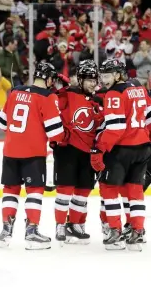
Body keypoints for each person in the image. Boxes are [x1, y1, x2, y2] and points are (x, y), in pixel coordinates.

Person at [0, 62, 69, 250]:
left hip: (10, 151)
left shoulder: (14, 92)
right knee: (35, 190)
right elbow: (55, 132)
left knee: (10, 189)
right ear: (48, 78)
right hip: (33, 153)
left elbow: (1, 124)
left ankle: (5, 231)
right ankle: (31, 232)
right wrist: (64, 136)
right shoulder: (47, 96)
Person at [91, 59, 151, 251]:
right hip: (142, 148)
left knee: (108, 188)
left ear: (118, 75)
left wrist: (99, 149)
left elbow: (116, 128)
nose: (104, 79)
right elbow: (149, 117)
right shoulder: (139, 86)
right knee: (135, 191)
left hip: (122, 149)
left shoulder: (114, 93)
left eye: (108, 75)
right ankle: (137, 232)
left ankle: (115, 231)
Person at [53, 59, 103, 245]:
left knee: (83, 191)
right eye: (89, 79)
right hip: (68, 150)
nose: (93, 82)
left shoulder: (99, 99)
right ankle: (59, 224)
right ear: (80, 79)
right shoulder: (68, 94)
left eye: (95, 79)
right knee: (65, 191)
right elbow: (51, 104)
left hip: (89, 152)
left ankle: (74, 225)